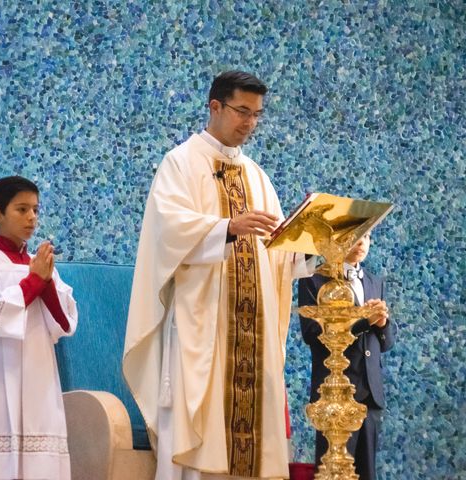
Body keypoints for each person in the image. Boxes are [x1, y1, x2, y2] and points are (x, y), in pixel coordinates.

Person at [123, 71, 315, 480]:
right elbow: (166, 231)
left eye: (257, 115)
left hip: (253, 334)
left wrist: (315, 248)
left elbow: (277, 253)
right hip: (203, 325)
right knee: (201, 432)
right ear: (215, 106)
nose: (249, 123)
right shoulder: (181, 163)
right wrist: (226, 227)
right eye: (242, 111)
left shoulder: (258, 176)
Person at [0, 176, 78, 480]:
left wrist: (44, 280)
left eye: (35, 209)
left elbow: (64, 323)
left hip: (38, 380)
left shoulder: (40, 264)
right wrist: (35, 280)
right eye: (22, 209)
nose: (32, 218)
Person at [298, 233, 396, 480]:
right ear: (338, 241)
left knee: (367, 472)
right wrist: (364, 321)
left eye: (368, 236)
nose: (362, 243)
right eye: (355, 237)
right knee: (334, 472)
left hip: (370, 392)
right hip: (334, 394)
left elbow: (386, 343)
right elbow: (312, 333)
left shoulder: (375, 281)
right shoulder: (316, 280)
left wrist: (382, 324)